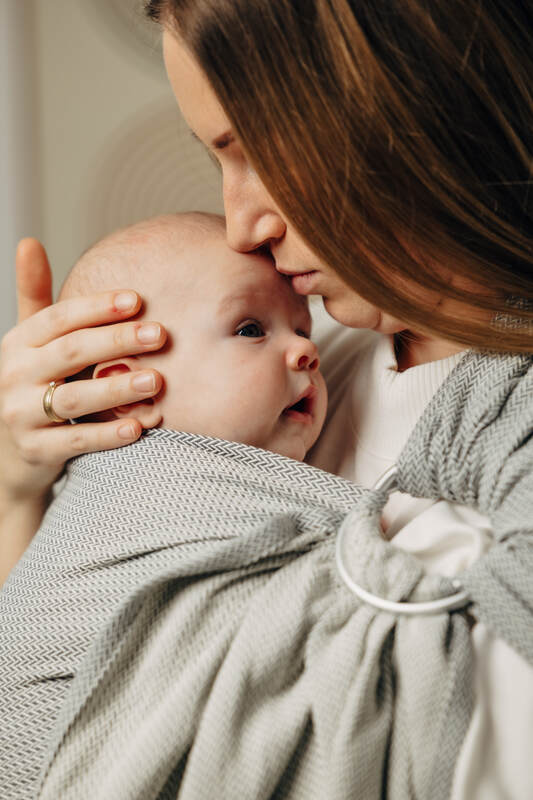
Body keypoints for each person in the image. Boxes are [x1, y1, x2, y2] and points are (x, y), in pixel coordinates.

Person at [0, 1, 531, 798]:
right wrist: (21, 491)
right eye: (218, 159)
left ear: (404, 108)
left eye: (256, 150)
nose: (242, 225)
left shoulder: (487, 413)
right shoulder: (310, 348)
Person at [0, 210, 329, 799]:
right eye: (253, 329)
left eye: (302, 330)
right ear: (128, 390)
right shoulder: (128, 493)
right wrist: (14, 495)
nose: (305, 352)